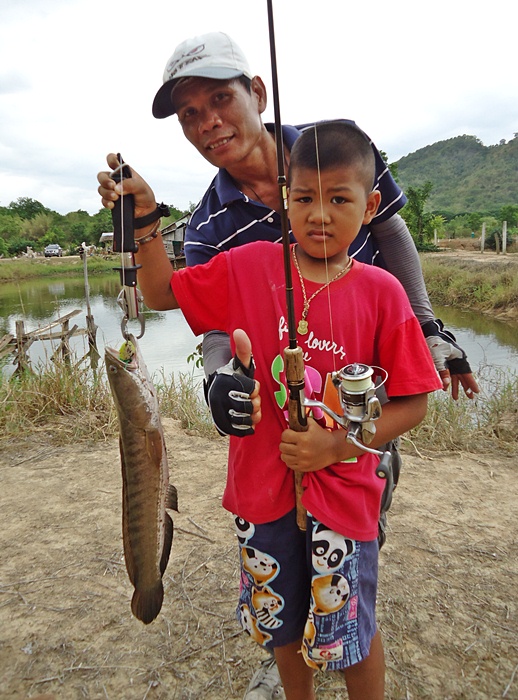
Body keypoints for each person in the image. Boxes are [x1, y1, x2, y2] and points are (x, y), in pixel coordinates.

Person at [98, 31, 478, 699]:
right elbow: (176, 298)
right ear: (286, 203)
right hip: (261, 484)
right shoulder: (224, 238)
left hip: (347, 461)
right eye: (191, 113)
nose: (318, 212)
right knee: (280, 616)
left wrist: (429, 333)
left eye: (221, 99)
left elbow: (397, 249)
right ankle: (291, 666)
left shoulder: (330, 153)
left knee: (351, 613)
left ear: (257, 94)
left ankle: (334, 633)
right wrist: (146, 218)